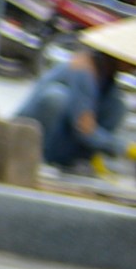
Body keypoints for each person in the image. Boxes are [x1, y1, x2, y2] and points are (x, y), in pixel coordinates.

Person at [20, 25, 128, 173]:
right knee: (55, 97)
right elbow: (83, 128)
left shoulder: (108, 84)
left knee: (118, 107)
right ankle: (38, 160)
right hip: (38, 139)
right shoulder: (83, 69)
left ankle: (80, 163)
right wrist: (122, 148)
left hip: (66, 144)